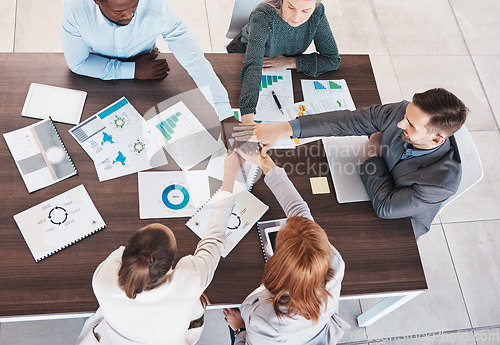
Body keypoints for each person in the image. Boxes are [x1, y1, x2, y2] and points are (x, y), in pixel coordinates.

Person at [233, 88, 469, 238]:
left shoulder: (440, 183)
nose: (399, 124)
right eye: (406, 117)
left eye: (411, 125)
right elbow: (347, 121)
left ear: (437, 138)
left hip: (396, 226)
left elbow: (386, 207)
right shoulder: (401, 112)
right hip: (372, 184)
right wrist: (282, 129)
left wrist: (373, 157)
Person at [61, 0, 237, 145]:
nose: (130, 16)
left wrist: (225, 114)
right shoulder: (75, 8)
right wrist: (133, 70)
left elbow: (194, 59)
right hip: (100, 75)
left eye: (134, 5)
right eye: (119, 12)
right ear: (97, 0)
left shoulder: (157, 8)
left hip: (146, 73)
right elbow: (78, 63)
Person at [76, 152, 243, 345]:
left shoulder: (103, 280)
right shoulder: (189, 279)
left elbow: (119, 255)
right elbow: (213, 238)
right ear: (171, 267)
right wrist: (229, 177)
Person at [223, 150, 347, 344]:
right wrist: (265, 163)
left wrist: (240, 329)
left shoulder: (266, 321)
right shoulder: (332, 261)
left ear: (279, 262)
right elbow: (298, 209)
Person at [227, 0, 341, 124]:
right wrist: (248, 116)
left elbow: (332, 59)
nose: (296, 18)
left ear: (315, 6)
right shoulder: (263, 16)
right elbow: (253, 65)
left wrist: (291, 62)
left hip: (284, 58)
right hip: (247, 51)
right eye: (291, 7)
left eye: (305, 11)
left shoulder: (317, 13)